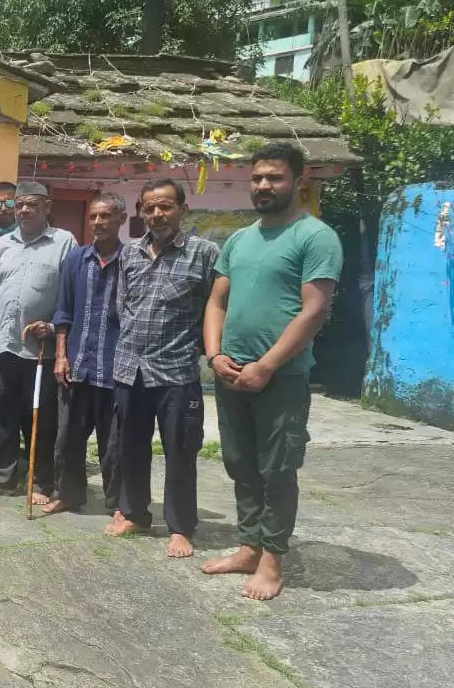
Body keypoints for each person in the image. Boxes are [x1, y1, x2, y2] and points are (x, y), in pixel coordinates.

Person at [203, 143, 342, 600]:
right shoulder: (240, 239)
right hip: (231, 372)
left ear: (298, 182)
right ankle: (248, 546)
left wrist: (266, 365)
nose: (263, 186)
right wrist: (214, 354)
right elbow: (217, 300)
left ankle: (271, 561)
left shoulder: (314, 236)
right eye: (258, 178)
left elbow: (314, 310)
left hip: (280, 377)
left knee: (277, 468)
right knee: (240, 462)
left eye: (274, 178)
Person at [107, 180, 219, 559]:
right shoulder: (130, 255)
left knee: (180, 451)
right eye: (150, 208)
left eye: (166, 207)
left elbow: (215, 309)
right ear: (141, 212)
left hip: (176, 373)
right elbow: (123, 307)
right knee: (130, 447)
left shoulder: (204, 254)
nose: (157, 215)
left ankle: (181, 527)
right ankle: (136, 513)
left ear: (183, 210)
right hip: (130, 370)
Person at [0, 182, 76, 498]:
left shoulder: (63, 242)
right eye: (20, 205)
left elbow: (70, 295)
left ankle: (42, 481)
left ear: (47, 206)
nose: (24, 210)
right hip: (5, 345)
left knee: (41, 418)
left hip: (41, 349)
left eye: (32, 204)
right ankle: (0, 477)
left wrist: (54, 323)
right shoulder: (3, 245)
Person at [48, 194, 127, 515]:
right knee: (67, 439)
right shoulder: (76, 260)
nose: (98, 222)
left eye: (106, 216)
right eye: (93, 216)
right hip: (76, 367)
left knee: (115, 445)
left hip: (116, 369)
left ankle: (117, 504)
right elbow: (63, 312)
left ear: (121, 219)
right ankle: (68, 495)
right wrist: (61, 355)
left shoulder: (132, 261)